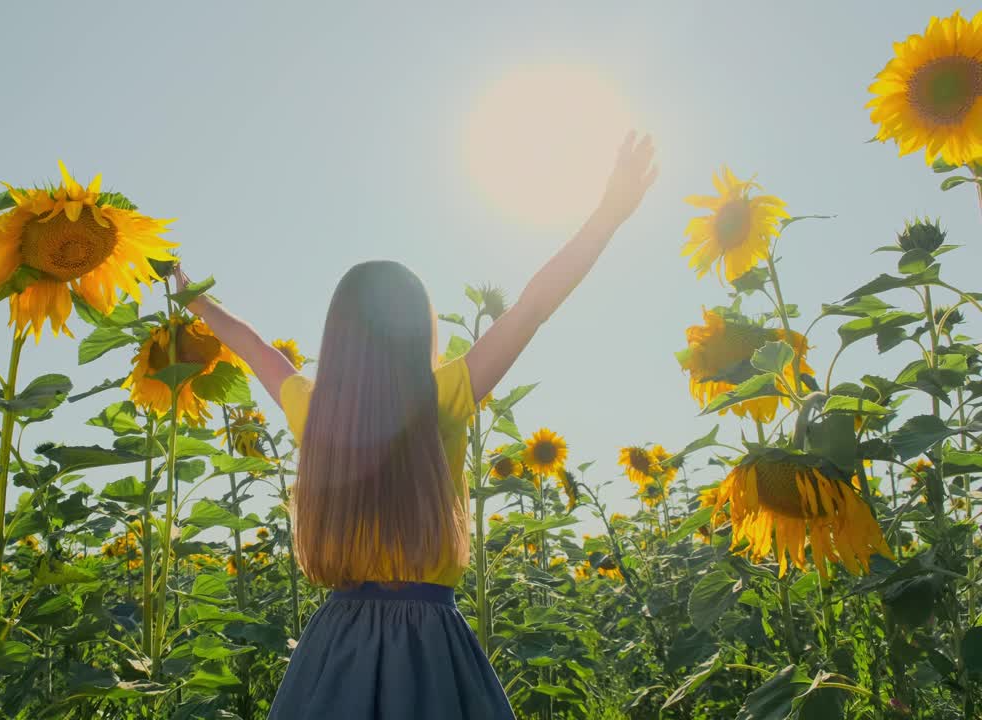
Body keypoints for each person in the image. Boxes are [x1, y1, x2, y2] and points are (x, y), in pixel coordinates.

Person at [175, 131, 657, 719]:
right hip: (430, 646)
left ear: (339, 337)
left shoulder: (317, 409)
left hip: (336, 650)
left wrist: (191, 299)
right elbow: (533, 305)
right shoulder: (441, 398)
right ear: (418, 332)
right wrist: (608, 215)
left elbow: (251, 346)